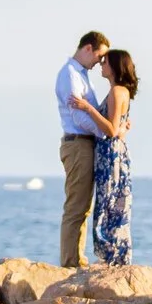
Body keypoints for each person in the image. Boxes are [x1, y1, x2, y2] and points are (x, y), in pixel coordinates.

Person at [69, 47, 139, 266]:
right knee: (110, 202)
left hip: (110, 156)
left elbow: (110, 129)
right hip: (110, 152)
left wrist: (88, 108)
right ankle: (113, 256)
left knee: (109, 204)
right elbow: (118, 128)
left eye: (105, 62)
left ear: (115, 66)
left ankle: (114, 257)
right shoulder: (118, 91)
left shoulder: (118, 91)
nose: (101, 64)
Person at [55, 31, 112, 267]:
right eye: (99, 57)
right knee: (76, 207)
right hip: (78, 143)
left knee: (83, 207)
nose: (100, 63)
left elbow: (88, 111)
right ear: (88, 48)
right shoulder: (70, 75)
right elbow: (79, 117)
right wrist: (107, 131)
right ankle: (70, 262)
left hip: (84, 143)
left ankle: (76, 258)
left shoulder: (81, 75)